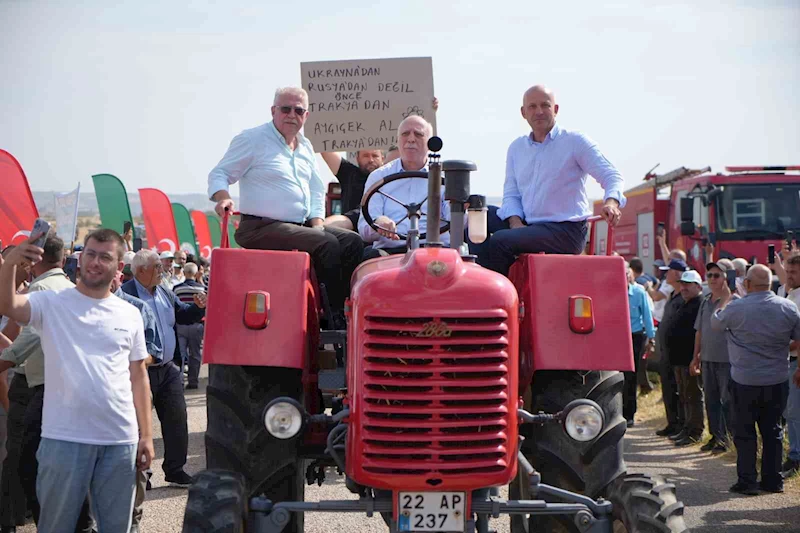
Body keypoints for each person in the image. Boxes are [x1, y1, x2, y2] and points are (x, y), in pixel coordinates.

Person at [0, 229, 154, 533]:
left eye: (105, 257)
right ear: (80, 259)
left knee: (117, 528)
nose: (95, 262)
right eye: (91, 254)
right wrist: (10, 265)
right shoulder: (51, 303)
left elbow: (138, 376)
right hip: (64, 441)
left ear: (119, 266)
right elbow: (7, 306)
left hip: (118, 442)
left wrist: (146, 436)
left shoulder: (129, 314)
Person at [208, 86, 363, 325]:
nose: (292, 114)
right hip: (261, 228)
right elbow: (220, 173)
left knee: (352, 241)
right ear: (273, 111)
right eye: (286, 109)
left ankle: (348, 307)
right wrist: (222, 198)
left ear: (306, 116)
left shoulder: (306, 146)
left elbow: (314, 188)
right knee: (328, 244)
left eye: (299, 110)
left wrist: (318, 224)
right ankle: (331, 317)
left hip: (299, 226)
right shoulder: (252, 139)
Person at [0, 236, 95, 532]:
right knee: (68, 461)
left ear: (34, 260)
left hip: (39, 390)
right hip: (71, 389)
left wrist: (3, 362)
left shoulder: (40, 289)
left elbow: (27, 340)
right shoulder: (72, 289)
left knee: (26, 462)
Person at [483, 85, 625, 275]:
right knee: (478, 216)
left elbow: (611, 175)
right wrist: (515, 223)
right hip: (530, 226)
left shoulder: (575, 142)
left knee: (500, 241)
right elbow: (511, 194)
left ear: (556, 109)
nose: (539, 111)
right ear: (523, 113)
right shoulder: (516, 148)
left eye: (545, 105)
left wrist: (611, 202)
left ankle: (499, 296)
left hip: (565, 231)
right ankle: (479, 283)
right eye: (532, 107)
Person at [713, 264, 799, 495]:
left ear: (748, 284)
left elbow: (715, 324)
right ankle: (773, 481)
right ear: (770, 284)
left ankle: (748, 481)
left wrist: (724, 300)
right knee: (773, 431)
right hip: (777, 379)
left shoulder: (736, 307)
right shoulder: (788, 308)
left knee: (745, 432)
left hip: (745, 380)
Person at [123, 249, 206, 487]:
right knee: (139, 424)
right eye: (157, 267)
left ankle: (175, 469)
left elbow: (184, 315)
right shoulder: (124, 296)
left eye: (162, 266)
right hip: (140, 371)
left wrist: (199, 307)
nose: (163, 270)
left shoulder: (164, 292)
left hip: (169, 369)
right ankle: (142, 474)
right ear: (141, 271)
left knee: (177, 420)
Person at [358, 116, 450, 260]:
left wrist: (462, 206)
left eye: (419, 134)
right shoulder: (378, 177)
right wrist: (379, 223)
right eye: (405, 134)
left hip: (436, 251)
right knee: (371, 260)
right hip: (389, 252)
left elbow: (459, 222)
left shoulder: (447, 177)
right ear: (398, 140)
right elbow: (364, 229)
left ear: (431, 142)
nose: (411, 139)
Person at [689, 261, 738, 453]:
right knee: (711, 400)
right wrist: (695, 357)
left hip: (727, 360)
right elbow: (699, 331)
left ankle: (726, 440)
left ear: (727, 277)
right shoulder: (705, 301)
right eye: (709, 275)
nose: (711, 279)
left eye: (716, 275)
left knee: (727, 401)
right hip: (708, 359)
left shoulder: (734, 301)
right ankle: (715, 436)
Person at [664, 270, 705, 446]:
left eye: (688, 284)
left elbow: (700, 333)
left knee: (693, 396)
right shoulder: (685, 303)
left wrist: (695, 358)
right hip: (678, 359)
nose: (684, 287)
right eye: (682, 284)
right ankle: (687, 428)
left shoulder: (700, 304)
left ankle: (695, 431)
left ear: (698, 286)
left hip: (690, 359)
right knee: (684, 395)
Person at [653, 259, 689, 438]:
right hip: (667, 352)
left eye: (668, 272)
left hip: (678, 353)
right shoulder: (673, 294)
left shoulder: (683, 296)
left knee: (680, 391)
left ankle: (682, 425)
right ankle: (672, 423)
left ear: (676, 273)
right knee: (668, 388)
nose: (665, 275)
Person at [321, 149, 385, 232]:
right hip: (349, 234)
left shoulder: (392, 179)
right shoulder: (349, 174)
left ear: (383, 159)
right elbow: (323, 147)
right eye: (365, 156)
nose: (371, 160)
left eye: (375, 156)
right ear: (357, 159)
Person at [624, 263, 655, 427]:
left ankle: (629, 414)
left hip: (635, 336)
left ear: (632, 275)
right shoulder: (612, 291)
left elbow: (647, 315)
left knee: (631, 375)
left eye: (627, 273)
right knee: (617, 375)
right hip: (618, 337)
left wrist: (651, 337)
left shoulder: (638, 292)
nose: (625, 276)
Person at [778, 254, 800, 477]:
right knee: (790, 411)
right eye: (787, 271)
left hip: (796, 361)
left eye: (793, 272)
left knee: (794, 412)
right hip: (790, 360)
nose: (789, 276)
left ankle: (796, 457)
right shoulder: (791, 293)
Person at [173, 263, 206, 390]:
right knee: (195, 354)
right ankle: (193, 381)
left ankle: (179, 381)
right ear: (196, 273)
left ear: (185, 273)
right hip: (197, 326)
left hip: (180, 326)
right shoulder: (202, 289)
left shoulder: (176, 289)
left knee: (180, 354)